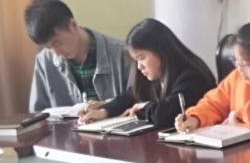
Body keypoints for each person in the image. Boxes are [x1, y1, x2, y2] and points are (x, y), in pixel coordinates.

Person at [77, 18, 216, 128]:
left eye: (142, 58)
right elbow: (131, 96)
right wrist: (104, 111)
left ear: (161, 51)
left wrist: (144, 108)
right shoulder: (157, 74)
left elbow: (167, 114)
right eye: (136, 60)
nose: (139, 66)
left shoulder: (193, 76)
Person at [25, 0, 132, 112]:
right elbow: (38, 114)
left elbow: (138, 104)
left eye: (57, 43)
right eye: (48, 47)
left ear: (73, 25)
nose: (56, 53)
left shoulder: (122, 54)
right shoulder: (44, 61)